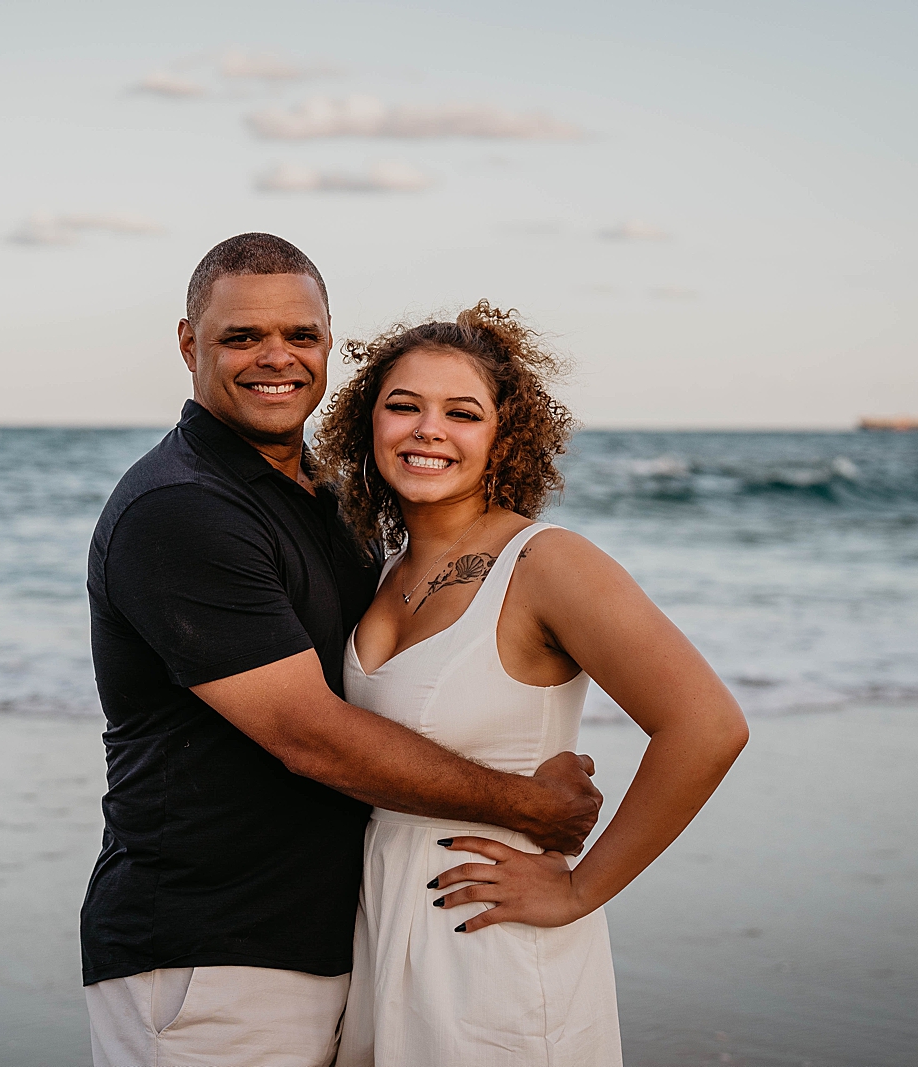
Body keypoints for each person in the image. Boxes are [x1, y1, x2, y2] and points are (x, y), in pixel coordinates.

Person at [81, 235, 604, 1067]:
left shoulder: (322, 501)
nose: (275, 358)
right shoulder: (182, 508)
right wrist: (532, 806)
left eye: (301, 334)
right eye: (241, 337)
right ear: (189, 344)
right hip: (210, 951)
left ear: (331, 342)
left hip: (339, 940)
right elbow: (307, 732)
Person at [315, 302, 750, 1066]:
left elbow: (708, 726)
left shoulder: (547, 562)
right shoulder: (381, 571)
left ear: (503, 436)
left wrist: (580, 890)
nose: (427, 430)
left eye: (462, 412)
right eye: (403, 405)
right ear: (367, 423)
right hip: (385, 930)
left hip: (496, 939)